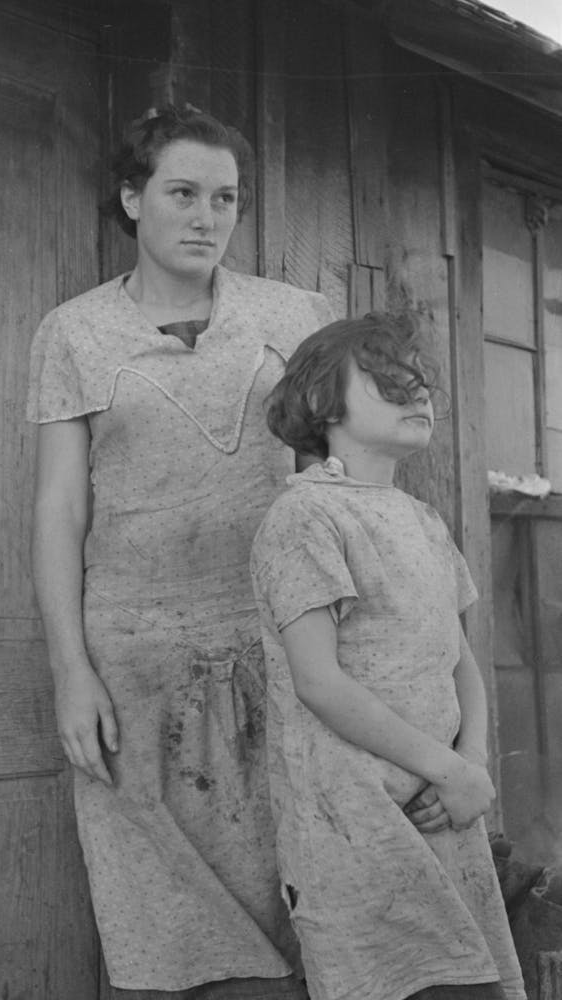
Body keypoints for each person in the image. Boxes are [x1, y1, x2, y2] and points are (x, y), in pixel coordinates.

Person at [26, 104, 334, 998]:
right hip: (135, 661)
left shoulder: (294, 314)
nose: (207, 217)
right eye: (183, 193)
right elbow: (59, 507)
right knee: (163, 919)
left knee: (299, 891)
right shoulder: (74, 332)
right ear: (132, 198)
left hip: (281, 644)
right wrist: (69, 671)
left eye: (226, 198)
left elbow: (339, 474)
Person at [250, 313, 527, 1000]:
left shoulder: (422, 519)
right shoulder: (305, 516)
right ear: (322, 404)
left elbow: (459, 660)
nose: (416, 392)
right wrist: (446, 767)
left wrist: (474, 766)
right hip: (357, 820)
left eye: (419, 381)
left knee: (470, 982)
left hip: (444, 808)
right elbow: (318, 682)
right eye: (387, 380)